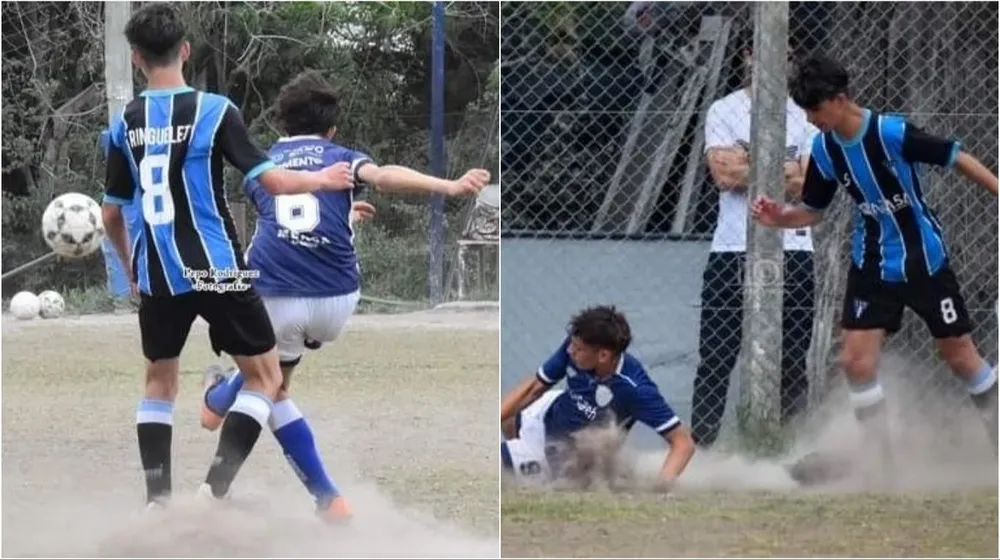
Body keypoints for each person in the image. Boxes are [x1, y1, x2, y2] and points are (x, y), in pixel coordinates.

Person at [196, 70, 490, 520]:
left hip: (275, 294)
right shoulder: (341, 157)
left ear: (281, 125)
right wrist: (446, 187)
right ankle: (222, 403)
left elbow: (285, 218)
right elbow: (383, 176)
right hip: (337, 300)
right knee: (275, 379)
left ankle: (240, 481)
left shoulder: (263, 166)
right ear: (332, 127)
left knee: (265, 386)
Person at [101, 3, 356, 511]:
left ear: (135, 58)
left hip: (159, 273)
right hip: (217, 268)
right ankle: (212, 490)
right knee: (264, 377)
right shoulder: (216, 111)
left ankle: (158, 503)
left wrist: (133, 270)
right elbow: (273, 180)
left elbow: (111, 215)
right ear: (186, 51)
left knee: (158, 381)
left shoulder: (123, 123)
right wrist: (324, 179)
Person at [751, 53, 999, 478]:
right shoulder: (825, 149)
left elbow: (957, 156)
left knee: (959, 356)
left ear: (841, 99)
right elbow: (813, 210)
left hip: (924, 260)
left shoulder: (891, 132)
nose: (812, 120)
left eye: (816, 109)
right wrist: (780, 217)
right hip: (871, 266)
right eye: (806, 112)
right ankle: (880, 462)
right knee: (856, 362)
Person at [693, 39, 819, 448]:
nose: (767, 61)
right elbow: (724, 176)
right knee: (716, 355)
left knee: (791, 359)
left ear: (791, 60)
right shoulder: (724, 110)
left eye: (781, 54)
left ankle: (789, 449)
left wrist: (751, 166)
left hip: (795, 248)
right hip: (732, 248)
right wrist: (783, 168)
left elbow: (809, 184)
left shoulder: (805, 113)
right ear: (746, 56)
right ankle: (703, 448)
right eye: (758, 52)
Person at [500, 306, 696, 489]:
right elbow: (534, 387)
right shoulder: (574, 346)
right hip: (551, 408)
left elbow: (683, 444)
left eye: (578, 348)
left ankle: (526, 463)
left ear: (603, 355)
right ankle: (520, 455)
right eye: (572, 344)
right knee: (508, 418)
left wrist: (660, 489)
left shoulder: (636, 390)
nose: (570, 351)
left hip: (562, 455)